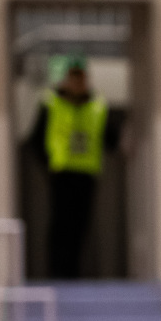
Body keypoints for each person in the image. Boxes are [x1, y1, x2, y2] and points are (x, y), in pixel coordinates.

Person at [28, 59, 120, 279]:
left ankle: (73, 272)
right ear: (67, 80)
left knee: (80, 225)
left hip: (86, 173)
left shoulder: (97, 105)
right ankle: (57, 272)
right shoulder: (51, 103)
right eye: (73, 78)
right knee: (60, 224)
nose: (77, 83)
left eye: (81, 78)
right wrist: (48, 165)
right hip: (61, 173)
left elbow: (110, 137)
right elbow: (36, 140)